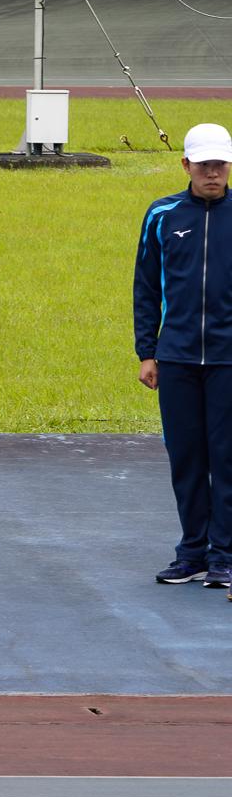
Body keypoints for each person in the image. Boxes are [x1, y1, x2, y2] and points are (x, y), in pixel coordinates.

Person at [135, 123, 232, 591]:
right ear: (186, 165)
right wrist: (147, 351)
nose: (212, 174)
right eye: (204, 165)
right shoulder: (161, 215)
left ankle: (225, 556)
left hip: (229, 361)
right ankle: (192, 552)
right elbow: (147, 287)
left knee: (227, 457)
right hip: (174, 359)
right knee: (186, 457)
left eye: (220, 165)